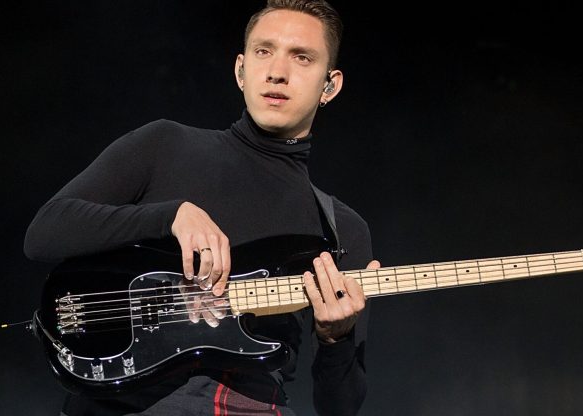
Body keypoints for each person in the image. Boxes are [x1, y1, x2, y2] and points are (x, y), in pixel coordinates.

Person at [24, 1, 378, 415]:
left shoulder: (340, 229)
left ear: (329, 85)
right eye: (264, 51)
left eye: (302, 57)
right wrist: (170, 214)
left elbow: (341, 407)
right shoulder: (164, 145)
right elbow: (44, 233)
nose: (277, 71)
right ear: (241, 70)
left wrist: (336, 338)